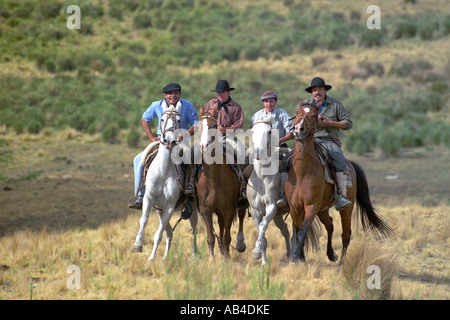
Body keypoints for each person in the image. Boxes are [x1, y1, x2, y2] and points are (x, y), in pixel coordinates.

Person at [181, 79, 246, 219]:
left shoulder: (236, 107)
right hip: (209, 138)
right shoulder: (210, 104)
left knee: (241, 153)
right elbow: (203, 121)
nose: (220, 94)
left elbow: (238, 126)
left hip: (227, 138)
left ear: (228, 92)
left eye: (222, 92)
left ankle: (241, 186)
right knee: (192, 154)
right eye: (218, 92)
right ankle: (190, 184)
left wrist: (224, 129)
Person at [128, 83, 199, 210]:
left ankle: (190, 195)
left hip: (180, 142)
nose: (173, 96)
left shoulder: (187, 105)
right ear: (165, 95)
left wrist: (186, 133)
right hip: (162, 141)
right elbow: (145, 119)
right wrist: (151, 137)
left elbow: (197, 124)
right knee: (138, 159)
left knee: (192, 161)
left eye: (176, 93)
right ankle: (140, 196)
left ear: (180, 94)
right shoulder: (156, 105)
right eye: (170, 93)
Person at [303, 77, 353, 211]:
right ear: (311, 93)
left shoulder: (336, 105)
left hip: (328, 140)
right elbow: (299, 121)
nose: (317, 92)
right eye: (314, 90)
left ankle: (341, 196)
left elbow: (348, 123)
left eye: (320, 89)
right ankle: (286, 194)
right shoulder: (306, 105)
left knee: (339, 159)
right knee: (290, 159)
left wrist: (329, 123)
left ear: (325, 91)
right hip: (309, 140)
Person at [248, 90, 294, 208]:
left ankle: (284, 194)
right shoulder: (256, 116)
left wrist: (279, 141)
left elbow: (291, 133)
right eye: (266, 101)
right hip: (260, 149)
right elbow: (251, 131)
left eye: (271, 101)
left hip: (278, 148)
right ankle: (246, 193)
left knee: (285, 164)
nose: (269, 104)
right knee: (244, 162)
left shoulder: (282, 114)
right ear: (263, 103)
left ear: (276, 102)